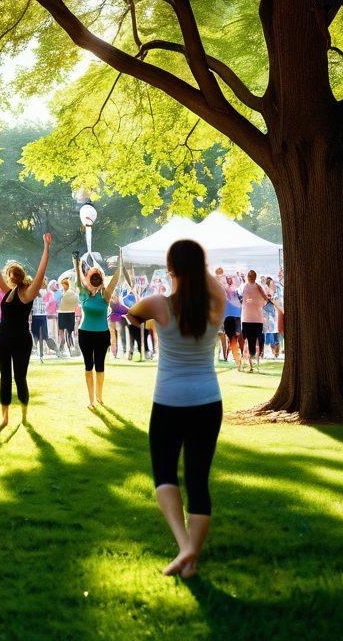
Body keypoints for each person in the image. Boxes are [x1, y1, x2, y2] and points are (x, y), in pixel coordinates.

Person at [126, 239, 224, 578]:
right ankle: (190, 560)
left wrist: (142, 320)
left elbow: (131, 317)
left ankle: (185, 547)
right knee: (198, 480)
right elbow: (209, 281)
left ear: (171, 270)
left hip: (168, 403)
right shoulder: (216, 305)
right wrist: (201, 266)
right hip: (208, 402)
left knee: (165, 473)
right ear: (201, 269)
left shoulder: (157, 304)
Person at [0, 233, 52, 427]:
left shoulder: (28, 293)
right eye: (9, 275)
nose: (10, 277)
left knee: (20, 377)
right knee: (5, 378)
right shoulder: (6, 291)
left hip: (22, 341)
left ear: (19, 277)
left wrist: (46, 247)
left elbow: (41, 272)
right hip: (3, 340)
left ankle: (24, 416)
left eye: (13, 275)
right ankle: (5, 418)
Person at [75, 254, 123, 409]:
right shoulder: (83, 294)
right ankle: (91, 399)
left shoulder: (105, 295)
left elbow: (114, 281)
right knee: (88, 366)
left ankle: (99, 396)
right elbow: (78, 278)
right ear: (89, 278)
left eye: (97, 276)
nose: (95, 279)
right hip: (85, 334)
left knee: (100, 366)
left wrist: (120, 264)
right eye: (92, 276)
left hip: (102, 335)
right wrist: (76, 263)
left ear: (100, 278)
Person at [239, 270, 270, 373]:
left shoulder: (249, 286)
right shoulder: (254, 287)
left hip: (250, 318)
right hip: (253, 318)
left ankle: (250, 365)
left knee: (249, 342)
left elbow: (265, 300)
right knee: (252, 342)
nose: (250, 277)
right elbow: (265, 301)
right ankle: (252, 365)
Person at [56, 277, 78, 357]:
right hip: (61, 313)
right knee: (61, 332)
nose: (63, 287)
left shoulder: (72, 293)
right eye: (62, 285)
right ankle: (60, 349)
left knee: (69, 332)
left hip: (70, 313)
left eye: (64, 285)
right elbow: (57, 302)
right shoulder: (60, 293)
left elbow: (75, 303)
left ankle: (71, 349)